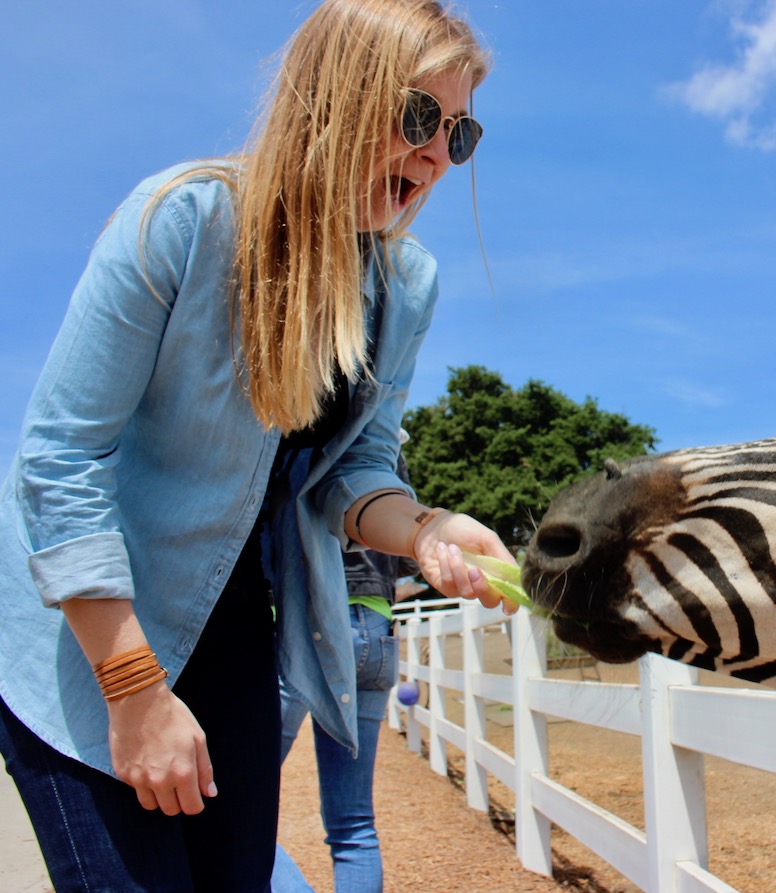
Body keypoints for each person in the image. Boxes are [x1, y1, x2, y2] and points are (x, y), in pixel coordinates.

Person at [0, 2, 517, 891]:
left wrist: (427, 529)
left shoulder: (405, 285)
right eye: (420, 117)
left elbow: (352, 471)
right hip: (85, 641)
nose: (437, 155)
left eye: (459, 134)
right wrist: (131, 688)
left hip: (234, 631)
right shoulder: (180, 220)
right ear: (330, 98)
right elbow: (58, 460)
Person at [272, 435, 420, 893]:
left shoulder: (295, 426)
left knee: (232, 803)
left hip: (307, 619)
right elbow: (402, 552)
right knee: (354, 824)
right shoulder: (385, 446)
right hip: (375, 628)